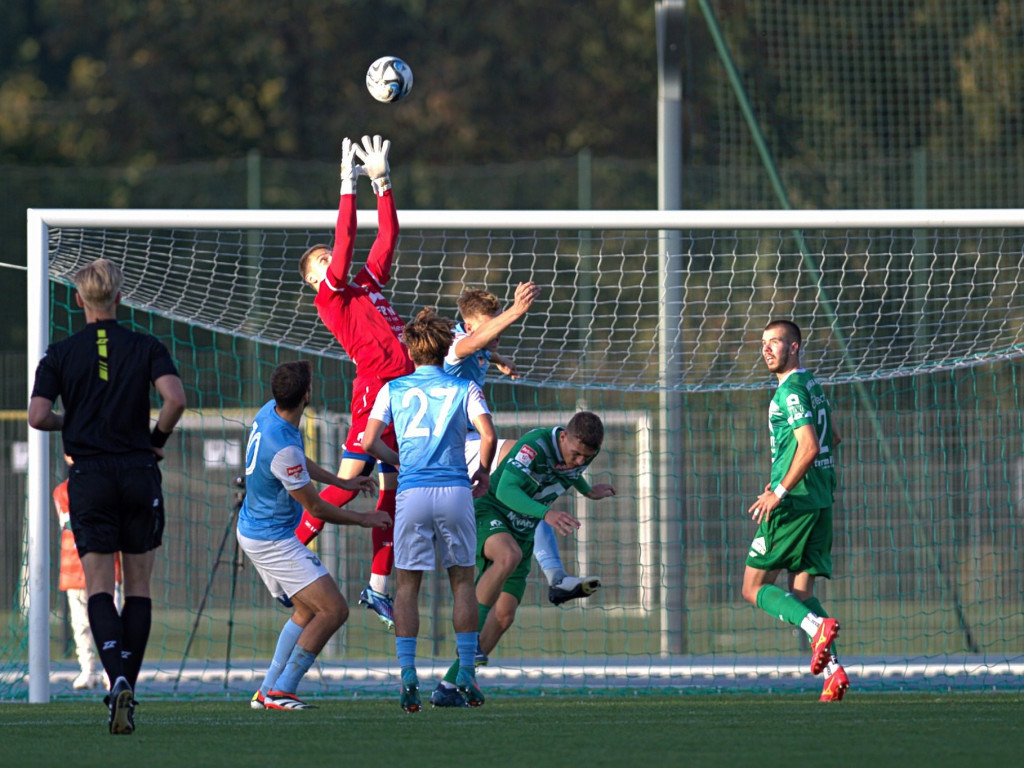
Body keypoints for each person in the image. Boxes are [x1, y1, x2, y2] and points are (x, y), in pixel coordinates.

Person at [28, 257, 187, 735]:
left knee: (98, 586)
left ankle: (114, 676)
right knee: (137, 588)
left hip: (90, 476)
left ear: (78, 299)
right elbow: (175, 399)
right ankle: (127, 686)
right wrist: (155, 439)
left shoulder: (60, 352)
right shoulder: (146, 345)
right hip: (138, 471)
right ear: (119, 297)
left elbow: (37, 416)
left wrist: (72, 422)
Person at [293, 134, 414, 632]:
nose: (330, 259)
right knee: (343, 489)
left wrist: (383, 185)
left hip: (408, 389)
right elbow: (344, 242)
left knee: (395, 491)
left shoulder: (365, 284)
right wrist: (347, 184)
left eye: (327, 256)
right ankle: (288, 552)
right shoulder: (330, 296)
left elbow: (387, 237)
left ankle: (377, 586)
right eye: (320, 261)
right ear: (314, 280)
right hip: (376, 390)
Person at [431, 411, 616, 707]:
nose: (580, 460)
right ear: (563, 437)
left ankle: (452, 683)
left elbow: (571, 474)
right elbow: (505, 489)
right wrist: (547, 513)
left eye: (586, 457)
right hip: (489, 510)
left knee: (504, 615)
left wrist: (588, 491)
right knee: (508, 556)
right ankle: (467, 645)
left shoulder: (581, 454)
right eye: (576, 454)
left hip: (523, 529)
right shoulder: (535, 445)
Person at [362, 308, 497, 712]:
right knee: (463, 582)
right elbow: (488, 435)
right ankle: (466, 674)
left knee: (406, 587)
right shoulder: (465, 387)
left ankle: (408, 678)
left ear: (410, 350)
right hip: (454, 489)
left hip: (413, 493)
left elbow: (369, 442)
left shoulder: (393, 388)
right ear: (446, 347)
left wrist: (398, 460)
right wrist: (483, 471)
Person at [240, 360, 390, 711]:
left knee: (307, 610)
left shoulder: (270, 412)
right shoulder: (283, 447)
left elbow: (298, 461)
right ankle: (283, 690)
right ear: (307, 394)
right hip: (272, 540)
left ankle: (267, 691)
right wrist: (363, 518)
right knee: (334, 610)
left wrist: (341, 481)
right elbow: (317, 508)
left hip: (259, 531)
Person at [445, 285, 601, 610]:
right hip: (448, 446)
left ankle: (556, 578)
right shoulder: (457, 344)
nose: (498, 330)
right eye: (492, 324)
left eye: (499, 322)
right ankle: (547, 574)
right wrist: (516, 311)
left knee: (528, 483)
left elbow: (480, 347)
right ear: (471, 326)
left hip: (466, 441)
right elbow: (469, 345)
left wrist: (498, 359)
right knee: (521, 459)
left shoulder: (478, 346)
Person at [740, 319, 848, 702]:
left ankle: (817, 629)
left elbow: (810, 446)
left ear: (795, 347)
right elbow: (834, 437)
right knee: (801, 592)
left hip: (795, 503)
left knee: (752, 587)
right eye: (763, 343)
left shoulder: (789, 392)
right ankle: (833, 673)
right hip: (820, 499)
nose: (767, 349)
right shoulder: (812, 384)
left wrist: (779, 491)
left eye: (776, 342)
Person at [53, 455, 123, 690]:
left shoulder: (108, 485)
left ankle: (113, 670)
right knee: (81, 622)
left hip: (106, 563)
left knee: (112, 618)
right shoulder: (61, 491)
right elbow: (67, 525)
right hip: (73, 565)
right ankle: (88, 669)